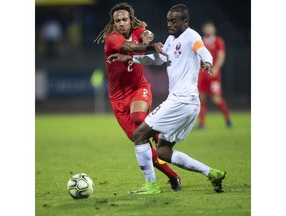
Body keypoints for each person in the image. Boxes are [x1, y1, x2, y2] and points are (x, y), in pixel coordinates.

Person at [107, 4, 226, 195]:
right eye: (168, 20)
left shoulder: (192, 36)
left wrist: (208, 62)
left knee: (139, 135)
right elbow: (156, 59)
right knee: (163, 152)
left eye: (174, 21)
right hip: (189, 105)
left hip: (181, 100)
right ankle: (212, 173)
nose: (169, 24)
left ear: (185, 21)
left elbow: (202, 50)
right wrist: (129, 59)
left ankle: (151, 186)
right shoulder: (171, 40)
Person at [94, 2, 181, 191]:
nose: (122, 23)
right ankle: (174, 177)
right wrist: (151, 46)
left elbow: (143, 34)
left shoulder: (138, 28)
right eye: (117, 21)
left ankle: (161, 138)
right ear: (113, 23)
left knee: (139, 117)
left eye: (125, 19)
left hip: (138, 87)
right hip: (118, 98)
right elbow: (131, 46)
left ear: (130, 19)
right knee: (141, 143)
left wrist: (147, 35)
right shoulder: (112, 39)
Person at [197, 20, 232, 129]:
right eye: (206, 27)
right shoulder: (200, 41)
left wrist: (216, 68)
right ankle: (202, 124)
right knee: (201, 98)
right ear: (203, 29)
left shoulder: (218, 41)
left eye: (210, 27)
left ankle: (228, 120)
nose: (208, 29)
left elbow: (221, 56)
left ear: (214, 29)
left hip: (213, 75)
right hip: (202, 75)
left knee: (216, 98)